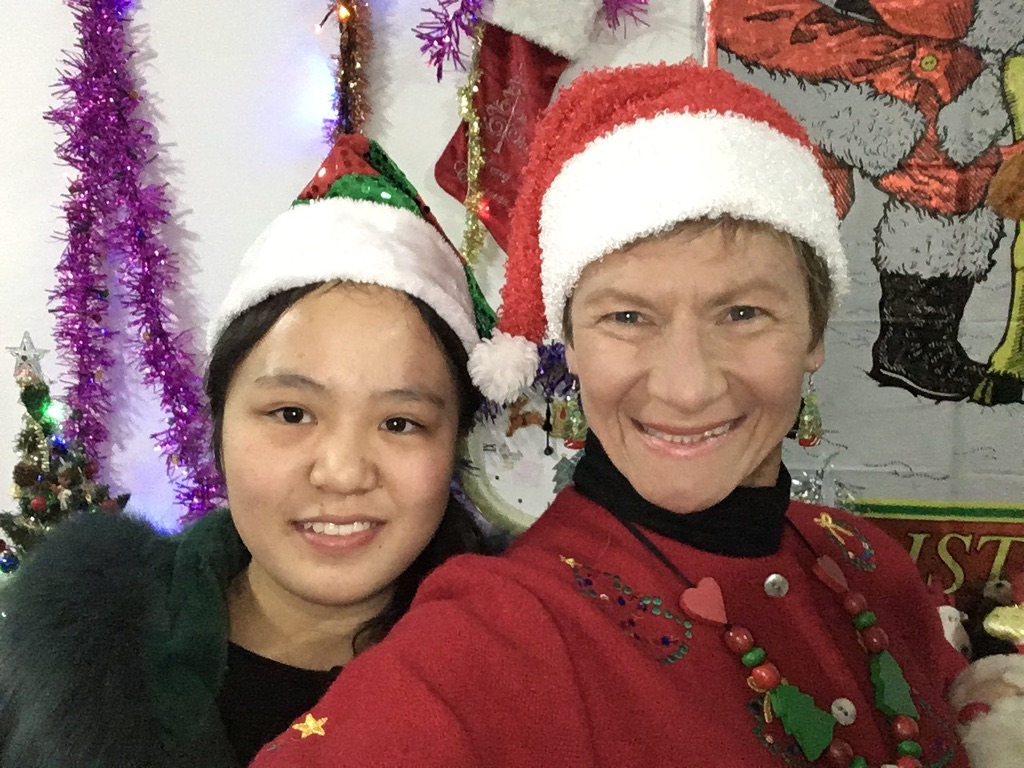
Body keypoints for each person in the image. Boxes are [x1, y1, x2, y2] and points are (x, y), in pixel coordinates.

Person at [251, 62, 970, 767]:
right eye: (627, 317)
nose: (687, 388)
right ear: (570, 341)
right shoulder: (496, 635)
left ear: (815, 332)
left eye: (744, 313)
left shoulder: (868, 564)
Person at [0, 133, 492, 767]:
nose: (342, 472)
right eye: (291, 414)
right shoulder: (65, 659)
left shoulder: (523, 670)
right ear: (221, 425)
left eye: (399, 423)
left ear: (453, 444)